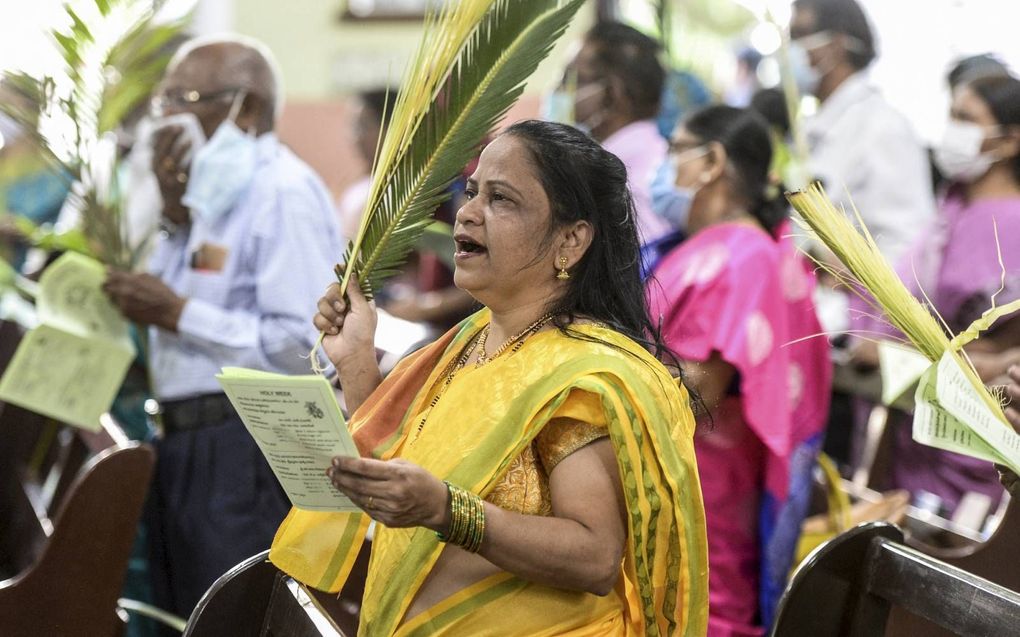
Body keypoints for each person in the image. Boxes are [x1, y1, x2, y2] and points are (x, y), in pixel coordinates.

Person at [269, 120, 709, 635]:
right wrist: (356, 361)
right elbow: (400, 478)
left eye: (502, 199)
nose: (468, 213)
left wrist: (449, 512)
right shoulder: (463, 344)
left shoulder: (585, 374)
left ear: (570, 240)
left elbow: (594, 557)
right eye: (473, 191)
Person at [102, 34, 343, 620]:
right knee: (186, 616)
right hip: (187, 441)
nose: (168, 118)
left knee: (232, 624)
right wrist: (175, 219)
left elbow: (305, 344)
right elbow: (175, 296)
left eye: (184, 98)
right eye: (164, 101)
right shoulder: (208, 193)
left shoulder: (281, 192)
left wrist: (179, 312)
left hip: (245, 446)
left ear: (247, 108)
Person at [646, 105, 831, 636]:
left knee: (703, 610)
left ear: (713, 162)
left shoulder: (744, 254)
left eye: (675, 150)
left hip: (705, 483)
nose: (666, 166)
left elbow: (699, 389)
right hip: (682, 474)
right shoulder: (714, 246)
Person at [853, 74, 1020, 514]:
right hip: (909, 423)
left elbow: (1002, 348)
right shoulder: (953, 203)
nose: (952, 129)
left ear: (1009, 140)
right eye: (951, 114)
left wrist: (896, 353)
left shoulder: (1014, 223)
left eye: (966, 118)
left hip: (966, 440)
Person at [789, 0, 934, 265]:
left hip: (853, 304)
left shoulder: (883, 128)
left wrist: (846, 277)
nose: (791, 49)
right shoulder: (814, 127)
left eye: (799, 35)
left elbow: (906, 244)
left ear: (837, 44)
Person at [561, 22, 673, 246]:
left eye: (571, 79)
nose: (559, 90)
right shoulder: (649, 159)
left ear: (611, 93)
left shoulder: (632, 183)